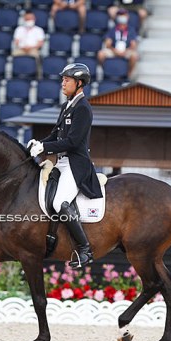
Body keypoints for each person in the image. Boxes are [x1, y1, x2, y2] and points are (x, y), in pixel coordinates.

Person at [28, 63, 102, 269]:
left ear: (79, 84)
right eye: (63, 79)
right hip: (61, 163)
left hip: (75, 166)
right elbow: (56, 134)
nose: (63, 83)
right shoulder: (67, 106)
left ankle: (85, 249)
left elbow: (73, 142)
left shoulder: (83, 108)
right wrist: (39, 143)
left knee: (60, 203)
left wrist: (46, 146)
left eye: (67, 80)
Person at [97, 8, 139, 78]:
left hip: (126, 51)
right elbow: (108, 44)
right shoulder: (112, 29)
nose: (122, 17)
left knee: (134, 56)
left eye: (123, 15)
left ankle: (129, 74)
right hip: (114, 50)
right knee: (100, 54)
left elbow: (133, 45)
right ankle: (105, 70)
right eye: (120, 15)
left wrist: (125, 51)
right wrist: (115, 51)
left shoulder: (131, 30)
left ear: (127, 17)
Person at [12, 10, 45, 75]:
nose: (29, 20)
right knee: (14, 54)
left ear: (34, 19)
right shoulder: (19, 29)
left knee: (36, 55)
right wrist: (23, 47)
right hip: (21, 49)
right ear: (24, 19)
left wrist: (30, 47)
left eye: (31, 19)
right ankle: (15, 73)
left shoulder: (39, 30)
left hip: (33, 49)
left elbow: (40, 43)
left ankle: (37, 75)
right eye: (27, 19)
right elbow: (16, 41)